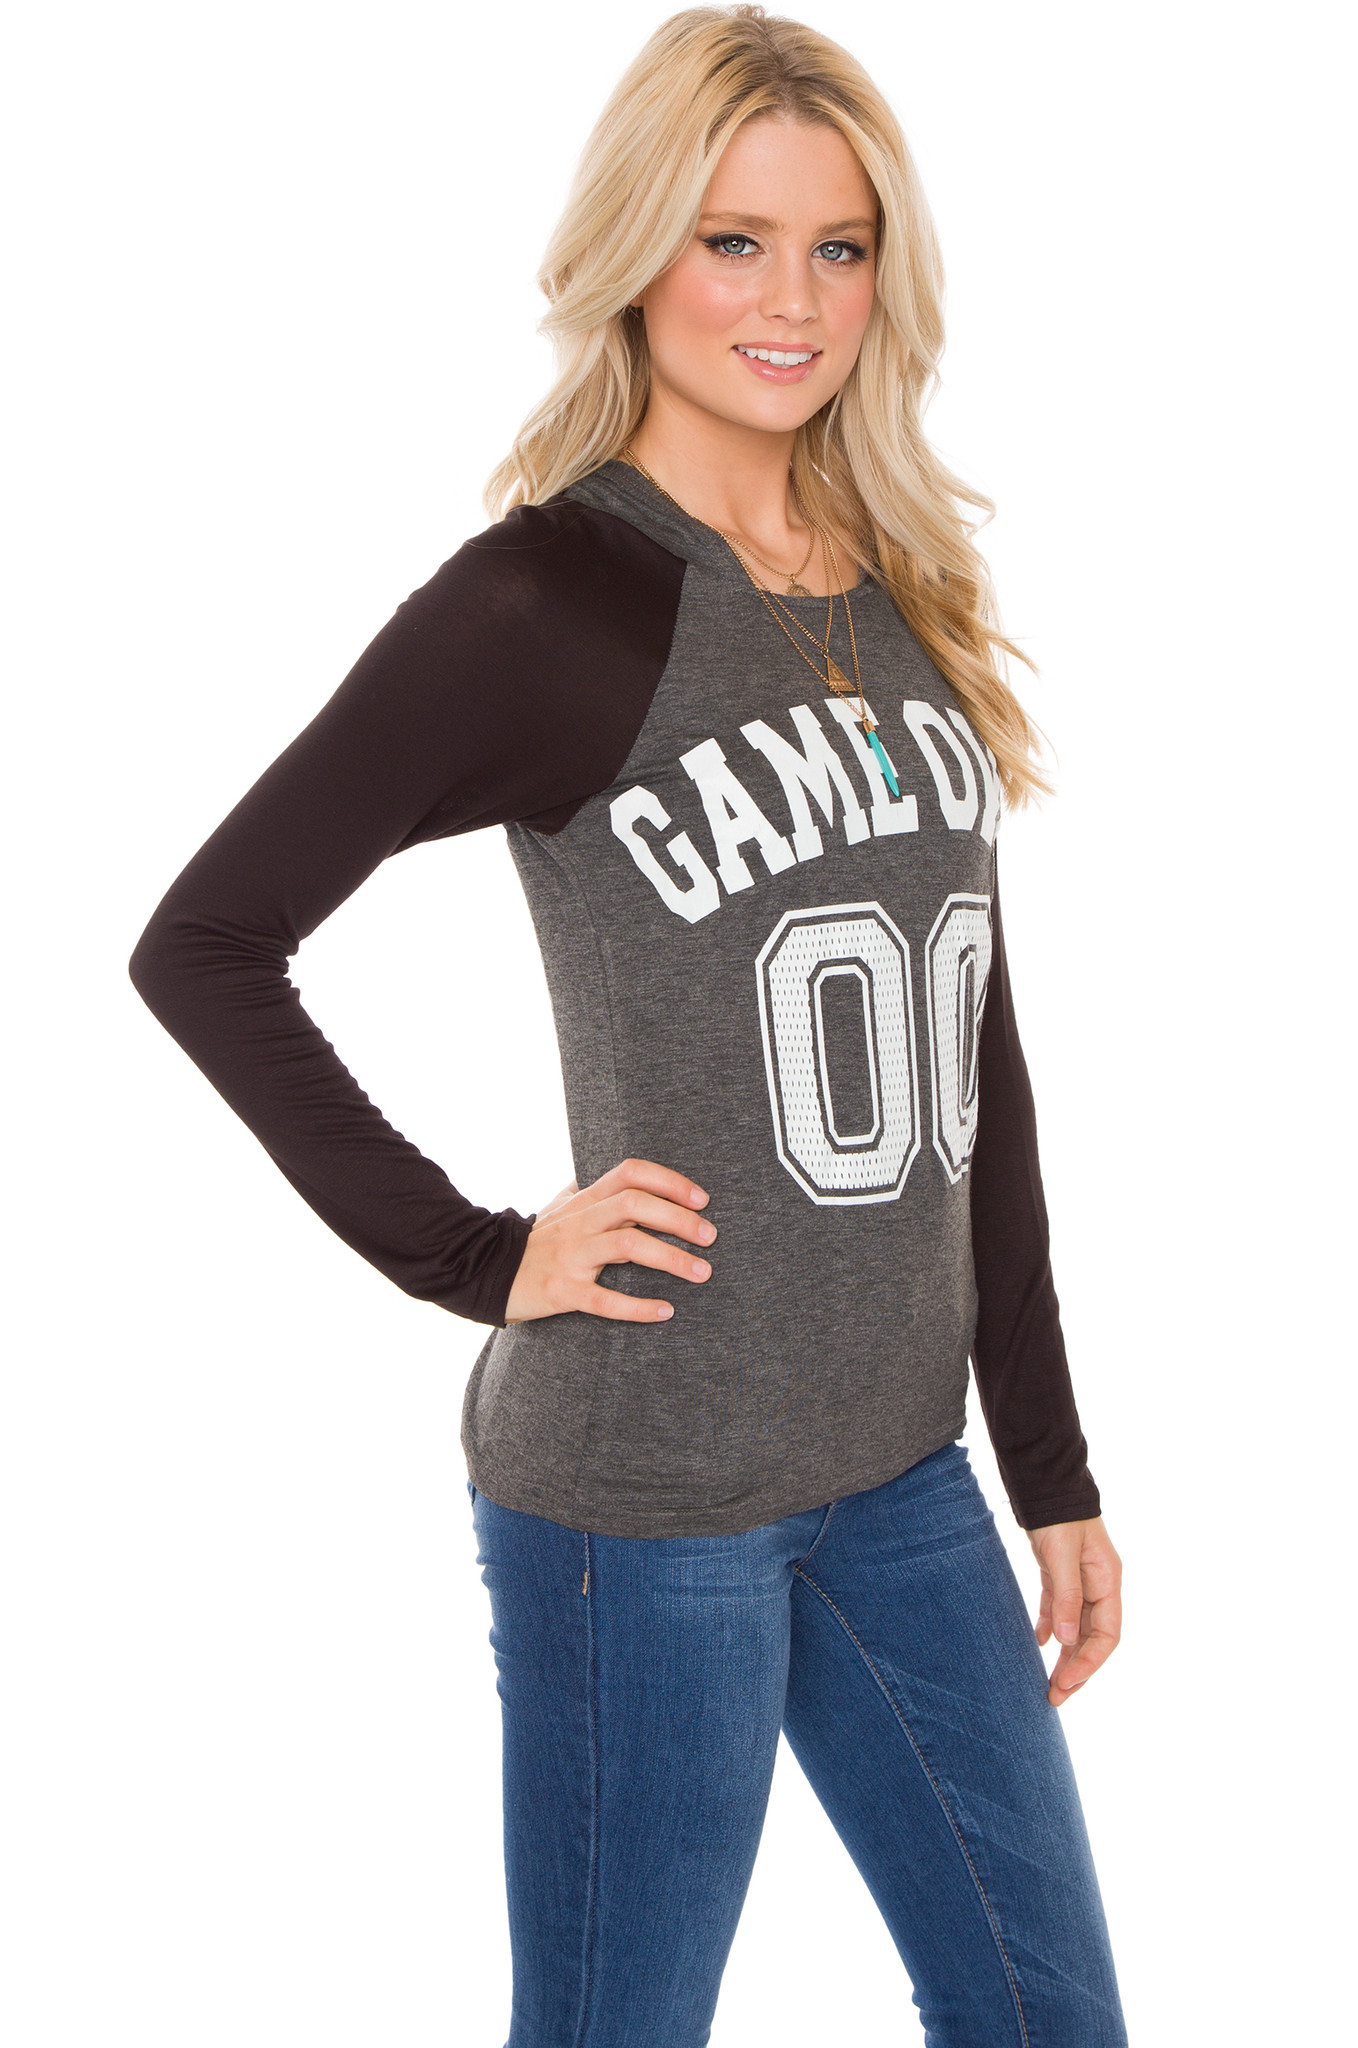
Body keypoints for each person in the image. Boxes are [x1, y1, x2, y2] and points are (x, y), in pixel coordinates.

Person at [129, 6, 1127, 2042]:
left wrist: (1048, 1458)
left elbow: (972, 1062)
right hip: (641, 1497)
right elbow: (207, 944)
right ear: (635, 255)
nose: (791, 301)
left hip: (901, 1473)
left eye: (837, 246)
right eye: (730, 241)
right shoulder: (547, 604)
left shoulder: (898, 587)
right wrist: (479, 1254)